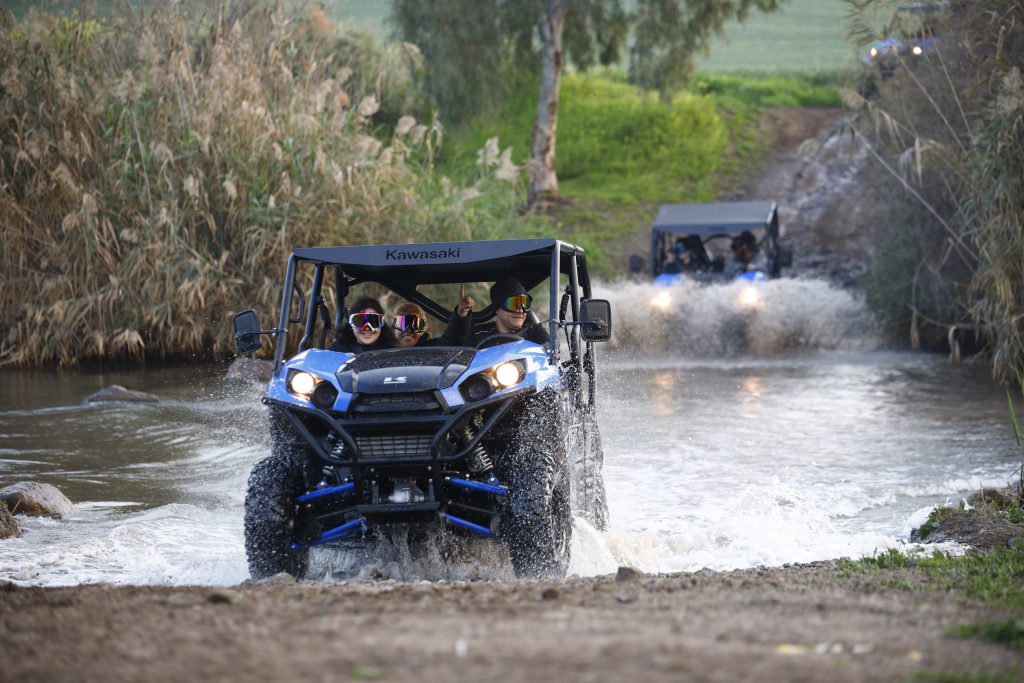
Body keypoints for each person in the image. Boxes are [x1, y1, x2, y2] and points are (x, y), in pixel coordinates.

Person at [465, 277, 549, 346]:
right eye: (514, 304)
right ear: (497, 309)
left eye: (525, 303)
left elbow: (552, 350)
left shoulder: (534, 332)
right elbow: (455, 343)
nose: (520, 310)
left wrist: (548, 347)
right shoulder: (478, 334)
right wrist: (461, 315)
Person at [392, 290, 474, 348]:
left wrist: (461, 313)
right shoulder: (382, 352)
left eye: (416, 324)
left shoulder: (432, 350)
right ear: (393, 327)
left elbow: (452, 339)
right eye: (402, 323)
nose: (409, 329)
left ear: (423, 330)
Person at [329, 296, 396, 354]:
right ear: (351, 325)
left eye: (374, 321)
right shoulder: (337, 351)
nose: (367, 328)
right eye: (360, 322)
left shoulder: (392, 353)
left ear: (382, 324)